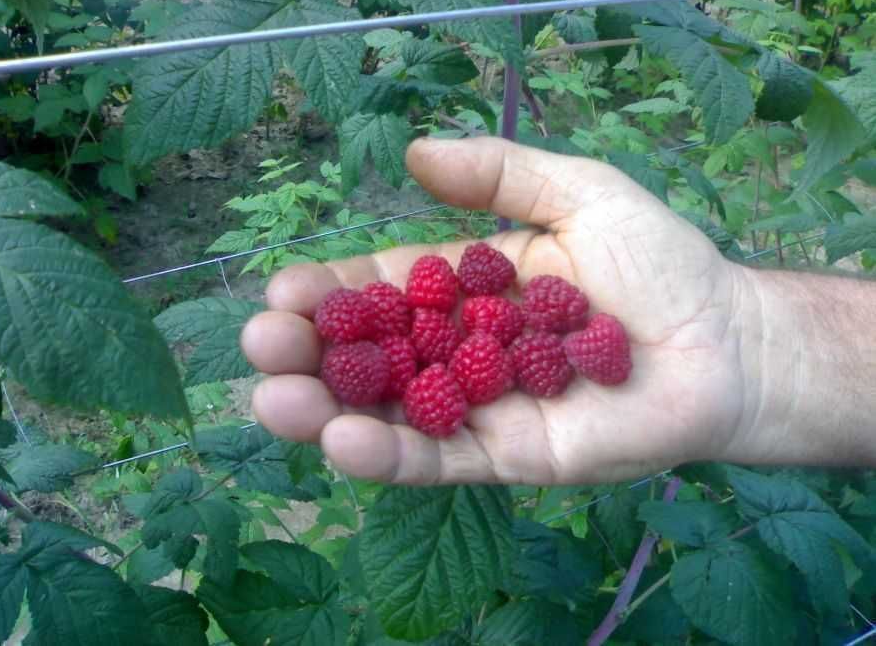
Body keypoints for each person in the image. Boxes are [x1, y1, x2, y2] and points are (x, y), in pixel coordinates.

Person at [241, 136, 876, 485]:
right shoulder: (432, 336)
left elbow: (476, 341)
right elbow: (437, 342)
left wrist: (746, 333)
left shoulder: (506, 327)